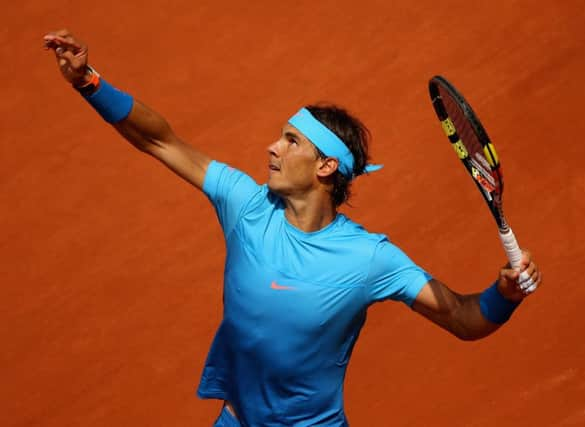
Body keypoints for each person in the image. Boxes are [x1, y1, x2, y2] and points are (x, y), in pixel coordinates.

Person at [43, 29, 541, 427]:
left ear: (325, 167)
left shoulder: (369, 259)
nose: (272, 148)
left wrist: (505, 296)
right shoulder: (245, 205)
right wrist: (90, 82)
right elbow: (161, 142)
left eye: (290, 141)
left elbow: (463, 318)